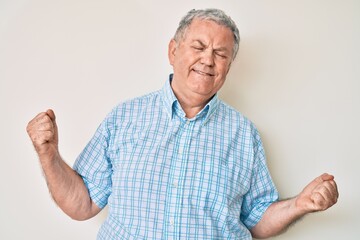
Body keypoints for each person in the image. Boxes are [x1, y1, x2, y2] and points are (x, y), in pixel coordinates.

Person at [26, 8, 338, 239]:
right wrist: (48, 154)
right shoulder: (124, 118)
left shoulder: (244, 134)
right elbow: (83, 204)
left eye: (220, 53)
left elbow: (256, 220)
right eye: (199, 47)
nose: (208, 60)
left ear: (229, 65)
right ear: (173, 51)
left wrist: (300, 204)